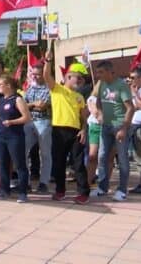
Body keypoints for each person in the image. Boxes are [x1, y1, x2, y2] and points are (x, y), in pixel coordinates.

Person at [43, 50, 91, 204]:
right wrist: (47, 60)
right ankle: (60, 191)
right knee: (59, 162)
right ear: (68, 77)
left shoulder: (79, 96)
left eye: (82, 79)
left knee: (78, 164)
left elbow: (84, 116)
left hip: (76, 132)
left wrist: (84, 129)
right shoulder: (57, 89)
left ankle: (83, 193)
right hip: (58, 131)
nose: (80, 81)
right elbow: (46, 76)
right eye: (78, 78)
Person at [91, 60, 135, 201]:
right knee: (102, 156)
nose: (98, 75)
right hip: (106, 126)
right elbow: (97, 101)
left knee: (122, 159)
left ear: (110, 71)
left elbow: (130, 108)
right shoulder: (102, 84)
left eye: (101, 72)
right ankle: (102, 188)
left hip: (119, 126)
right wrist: (99, 112)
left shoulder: (121, 86)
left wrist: (123, 128)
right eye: (97, 72)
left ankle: (122, 190)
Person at [0, 76, 31, 203]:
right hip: (0, 136)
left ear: (8, 85)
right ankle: (4, 190)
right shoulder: (0, 100)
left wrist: (12, 122)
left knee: (19, 164)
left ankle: (23, 193)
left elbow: (27, 117)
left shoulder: (17, 99)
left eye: (0, 84)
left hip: (14, 136)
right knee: (2, 164)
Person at [23, 63, 52, 193]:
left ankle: (44, 182)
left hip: (44, 122)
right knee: (23, 151)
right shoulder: (30, 88)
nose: (34, 76)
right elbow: (23, 105)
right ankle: (26, 182)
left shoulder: (49, 88)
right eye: (33, 74)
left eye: (37, 74)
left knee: (45, 153)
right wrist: (34, 104)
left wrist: (31, 105)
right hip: (29, 122)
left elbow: (43, 106)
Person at [129, 66, 141, 194]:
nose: (131, 80)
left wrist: (134, 94)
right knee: (139, 158)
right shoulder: (140, 90)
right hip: (137, 128)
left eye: (133, 77)